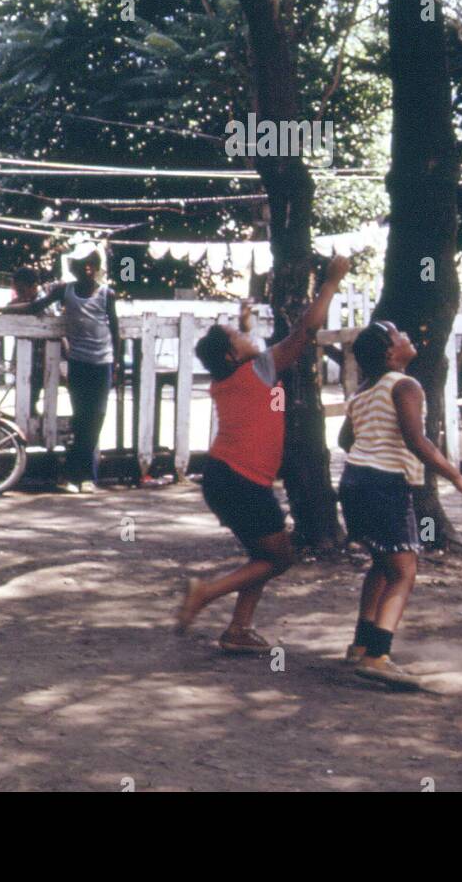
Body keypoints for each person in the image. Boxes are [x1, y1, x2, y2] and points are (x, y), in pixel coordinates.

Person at [176, 255, 351, 654]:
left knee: (261, 554)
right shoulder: (260, 369)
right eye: (238, 337)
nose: (247, 337)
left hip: (224, 477)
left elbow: (246, 349)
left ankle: (239, 630)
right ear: (232, 356)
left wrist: (245, 323)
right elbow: (306, 330)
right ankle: (204, 593)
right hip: (241, 481)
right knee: (279, 558)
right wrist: (331, 282)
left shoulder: (233, 376)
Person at [337, 320, 462, 690]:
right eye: (400, 335)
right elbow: (419, 442)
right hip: (384, 485)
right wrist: (458, 477)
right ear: (390, 352)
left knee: (382, 564)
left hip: (354, 481)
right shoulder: (405, 385)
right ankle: (378, 656)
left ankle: (360, 643)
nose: (408, 336)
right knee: (404, 570)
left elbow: (345, 439)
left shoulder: (363, 393)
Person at [0, 245, 122, 493]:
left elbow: (115, 331)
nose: (81, 269)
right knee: (81, 420)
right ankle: (82, 476)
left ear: (93, 268)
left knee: (96, 418)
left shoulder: (106, 294)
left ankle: (78, 474)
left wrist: (117, 364)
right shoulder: (65, 290)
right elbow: (34, 307)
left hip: (103, 363)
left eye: (86, 265)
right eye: (77, 265)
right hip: (79, 362)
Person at [10, 266, 45, 419]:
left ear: (34, 286)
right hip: (24, 352)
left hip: (42, 354)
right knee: (23, 392)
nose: (20, 294)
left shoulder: (43, 300)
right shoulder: (17, 302)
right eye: (18, 291)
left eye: (22, 290)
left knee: (35, 392)